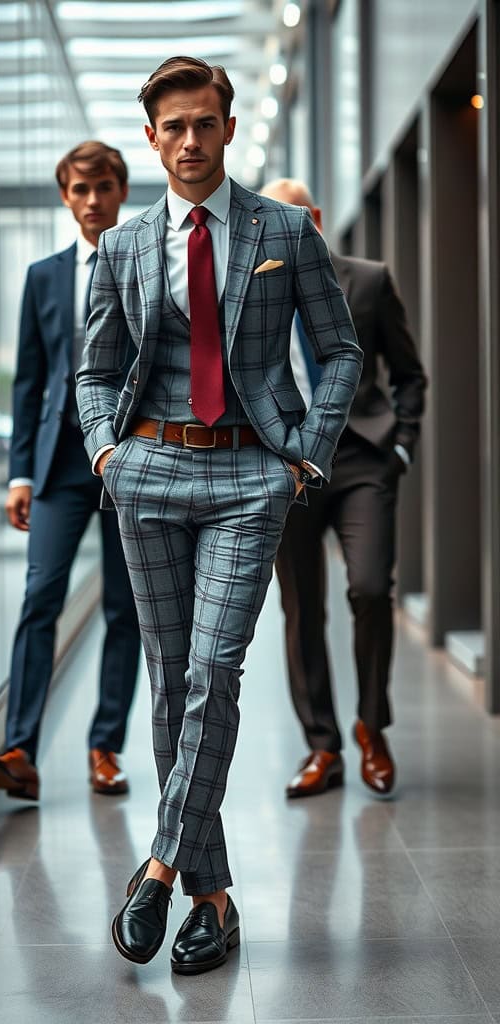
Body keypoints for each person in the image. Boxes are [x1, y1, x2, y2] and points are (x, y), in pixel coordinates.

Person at [76, 58, 362, 975]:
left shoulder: (285, 231)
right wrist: (104, 452)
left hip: (249, 473)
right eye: (174, 128)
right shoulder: (121, 248)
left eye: (205, 124)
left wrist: (305, 452)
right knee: (168, 681)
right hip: (148, 470)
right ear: (151, 137)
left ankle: (159, 864)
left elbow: (339, 349)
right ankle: (213, 895)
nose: (191, 141)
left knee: (212, 669)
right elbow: (93, 370)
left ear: (229, 129)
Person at [0, 142, 140, 801]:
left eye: (102, 187)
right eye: (79, 189)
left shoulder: (147, 264)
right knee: (40, 597)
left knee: (127, 611)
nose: (92, 200)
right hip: (58, 465)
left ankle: (105, 748)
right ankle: (20, 749)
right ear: (65, 197)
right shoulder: (44, 276)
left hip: (129, 460)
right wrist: (19, 474)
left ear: (121, 190)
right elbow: (31, 383)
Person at [262, 178, 427, 799]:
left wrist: (402, 444)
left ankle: (372, 728)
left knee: (368, 589)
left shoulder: (369, 278)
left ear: (316, 218)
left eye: (294, 217)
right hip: (291, 468)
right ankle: (322, 746)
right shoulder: (254, 292)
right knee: (302, 607)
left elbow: (410, 374)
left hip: (363, 461)